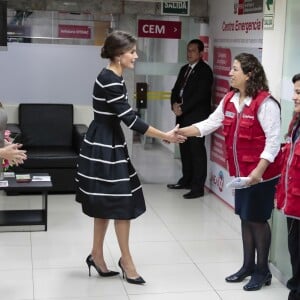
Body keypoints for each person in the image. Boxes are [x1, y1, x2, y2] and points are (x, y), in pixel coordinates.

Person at [75, 30, 186, 285]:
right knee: (122, 205)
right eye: (132, 52)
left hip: (107, 142)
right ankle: (126, 261)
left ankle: (97, 254)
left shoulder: (112, 75)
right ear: (118, 54)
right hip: (105, 146)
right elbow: (131, 120)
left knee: (105, 203)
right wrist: (166, 137)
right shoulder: (111, 80)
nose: (136, 56)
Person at [177, 53, 281, 291]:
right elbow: (209, 124)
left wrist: (258, 172)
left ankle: (263, 271)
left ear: (249, 74)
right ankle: (247, 266)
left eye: (235, 69)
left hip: (261, 175)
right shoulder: (231, 99)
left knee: (257, 220)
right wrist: (182, 131)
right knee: (245, 218)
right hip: (241, 174)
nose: (230, 73)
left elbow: (273, 142)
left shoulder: (266, 103)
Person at [167, 39, 213, 199]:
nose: (189, 53)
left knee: (196, 151)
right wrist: (174, 105)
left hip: (196, 118)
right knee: (184, 150)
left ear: (201, 53)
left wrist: (182, 108)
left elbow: (200, 96)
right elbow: (175, 90)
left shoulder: (205, 71)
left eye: (193, 50)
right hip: (182, 116)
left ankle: (197, 187)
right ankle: (185, 180)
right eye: (188, 50)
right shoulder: (184, 69)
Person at [276, 73, 300, 300]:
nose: (294, 97)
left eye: (299, 93)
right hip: (294, 206)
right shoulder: (297, 123)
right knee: (296, 254)